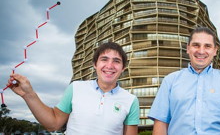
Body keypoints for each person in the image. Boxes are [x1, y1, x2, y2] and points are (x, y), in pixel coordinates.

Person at [148, 27, 220, 134]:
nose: (201, 51)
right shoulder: (170, 81)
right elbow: (160, 126)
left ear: (215, 51)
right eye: (196, 45)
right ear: (188, 48)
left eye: (207, 46)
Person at [8, 42, 139, 135]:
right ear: (95, 64)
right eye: (104, 59)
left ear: (123, 68)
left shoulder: (131, 100)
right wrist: (29, 95)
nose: (109, 65)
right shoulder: (76, 88)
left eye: (116, 61)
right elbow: (53, 124)